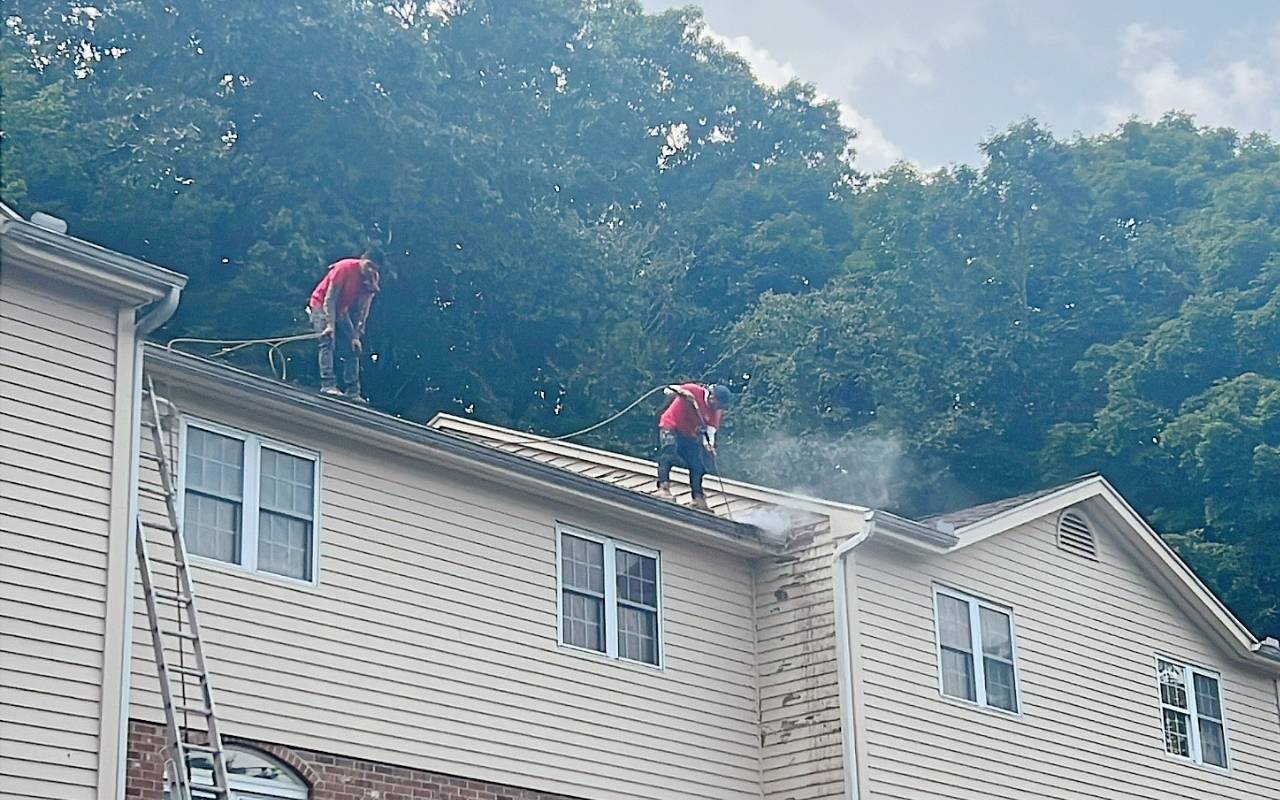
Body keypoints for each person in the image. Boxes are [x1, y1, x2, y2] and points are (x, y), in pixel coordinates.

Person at [307, 255, 380, 400]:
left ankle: (353, 390)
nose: (370, 269)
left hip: (341, 310)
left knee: (353, 347)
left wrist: (356, 336)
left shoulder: (371, 280)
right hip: (322, 304)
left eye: (375, 268)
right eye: (369, 265)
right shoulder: (344, 268)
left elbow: (363, 311)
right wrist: (329, 325)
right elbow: (330, 298)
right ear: (363, 260)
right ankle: (328, 384)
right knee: (327, 341)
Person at [655, 382, 732, 511]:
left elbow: (710, 431)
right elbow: (668, 389)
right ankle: (663, 487)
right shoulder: (694, 391)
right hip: (671, 425)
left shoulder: (716, 412)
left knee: (697, 465)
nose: (718, 408)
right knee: (669, 452)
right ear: (713, 397)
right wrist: (682, 393)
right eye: (718, 404)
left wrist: (709, 445)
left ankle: (698, 498)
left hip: (689, 433)